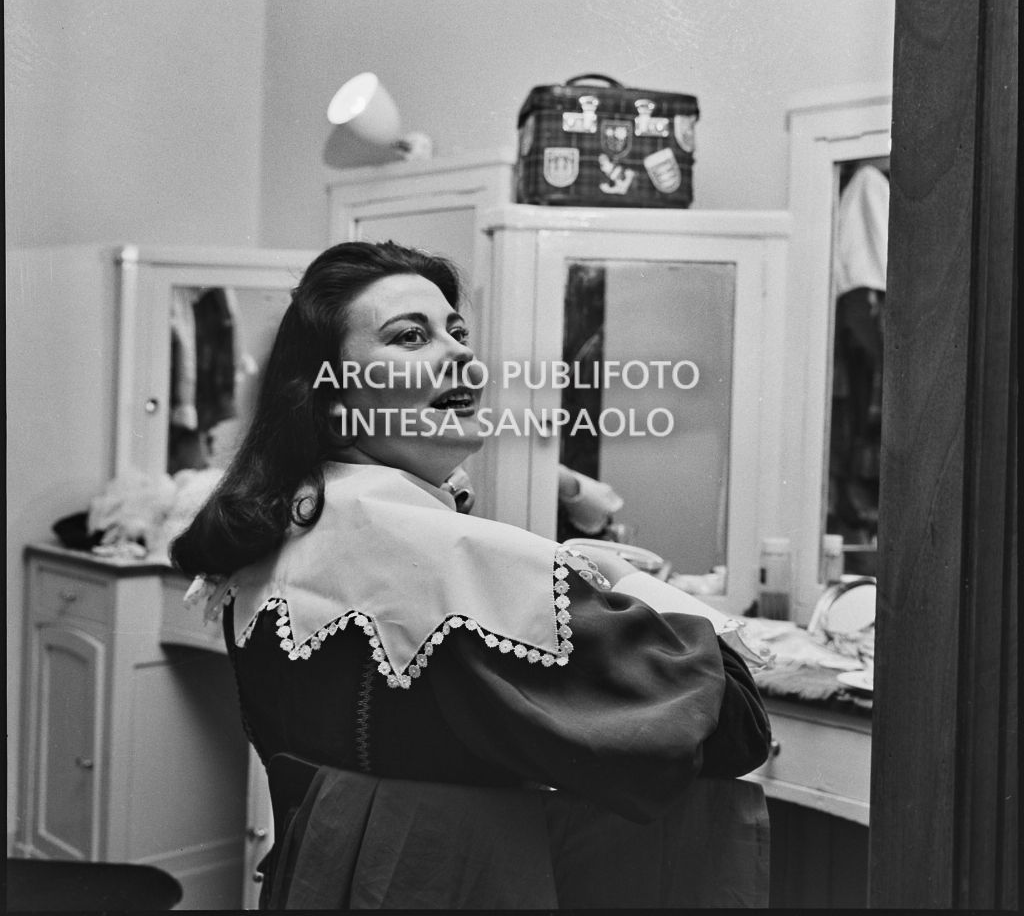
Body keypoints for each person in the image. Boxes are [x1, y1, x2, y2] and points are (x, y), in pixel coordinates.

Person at [171, 241, 772, 909]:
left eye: (457, 332)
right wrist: (617, 578)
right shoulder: (439, 558)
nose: (462, 356)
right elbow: (733, 726)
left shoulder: (287, 517)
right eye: (411, 336)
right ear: (331, 394)